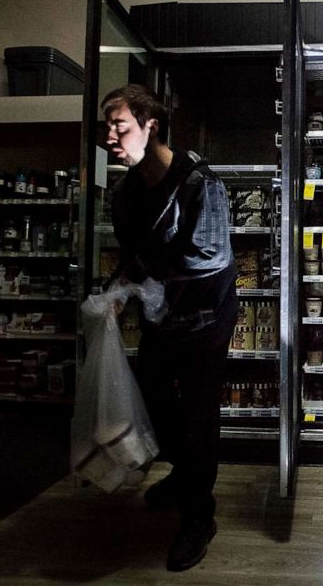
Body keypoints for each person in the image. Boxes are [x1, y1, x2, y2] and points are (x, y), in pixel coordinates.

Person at [102, 84, 237, 571]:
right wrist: (116, 290)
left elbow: (212, 256)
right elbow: (132, 259)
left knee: (198, 422)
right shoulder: (124, 194)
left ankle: (199, 517)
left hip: (205, 322)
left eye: (119, 125)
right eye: (108, 127)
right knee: (156, 409)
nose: (111, 137)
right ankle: (185, 476)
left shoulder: (199, 181)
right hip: (160, 321)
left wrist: (149, 279)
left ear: (149, 124)